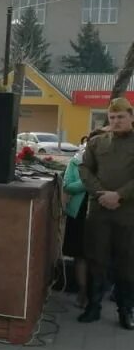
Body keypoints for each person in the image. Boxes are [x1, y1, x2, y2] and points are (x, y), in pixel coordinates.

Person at [78, 97, 134, 329]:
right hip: (100, 211)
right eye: (112, 117)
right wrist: (102, 194)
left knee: (127, 263)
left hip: (128, 212)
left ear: (131, 116)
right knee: (96, 259)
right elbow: (84, 169)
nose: (117, 121)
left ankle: (125, 311)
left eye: (121, 117)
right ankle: (93, 307)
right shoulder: (97, 142)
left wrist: (119, 195)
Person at [63, 130, 105, 309]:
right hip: (79, 213)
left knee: (97, 257)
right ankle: (81, 291)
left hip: (101, 213)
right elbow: (68, 186)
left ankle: (96, 295)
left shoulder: (110, 164)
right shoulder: (75, 162)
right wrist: (87, 182)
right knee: (80, 256)